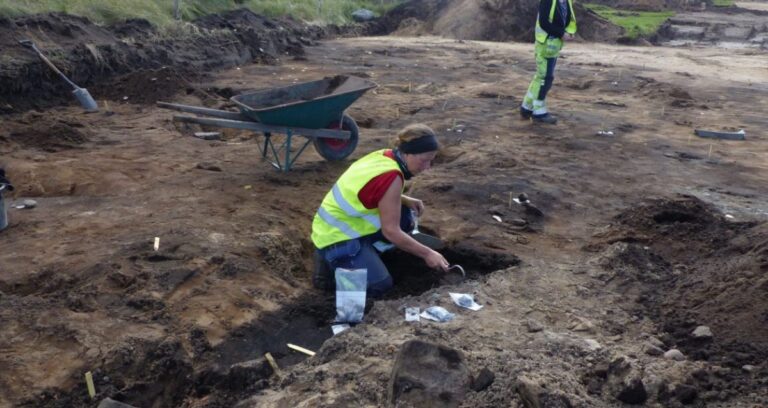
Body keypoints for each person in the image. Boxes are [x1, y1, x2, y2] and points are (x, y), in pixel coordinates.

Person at [311, 124, 450, 297]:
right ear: (408, 153)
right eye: (424, 160)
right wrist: (428, 254)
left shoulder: (384, 156)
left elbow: (370, 190)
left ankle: (359, 259)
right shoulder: (392, 177)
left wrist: (404, 199)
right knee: (380, 286)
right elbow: (391, 232)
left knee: (405, 216)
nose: (427, 167)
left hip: (328, 228)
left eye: (431, 160)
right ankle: (336, 274)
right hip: (338, 238)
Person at [520, 0, 577, 125]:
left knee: (541, 77)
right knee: (545, 78)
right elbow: (544, 22)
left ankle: (527, 107)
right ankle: (539, 112)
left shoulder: (566, 1)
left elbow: (565, 18)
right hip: (545, 44)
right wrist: (561, 33)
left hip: (553, 45)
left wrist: (568, 33)